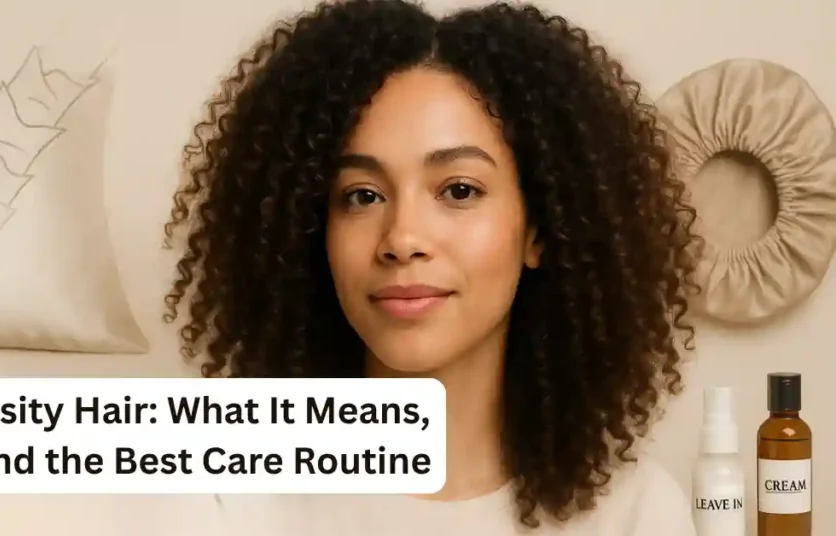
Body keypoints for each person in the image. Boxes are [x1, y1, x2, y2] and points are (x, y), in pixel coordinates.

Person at [162, 0, 701, 534]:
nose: (402, 239)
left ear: (537, 231)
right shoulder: (220, 499)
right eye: (362, 195)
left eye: (459, 190)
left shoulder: (637, 514)